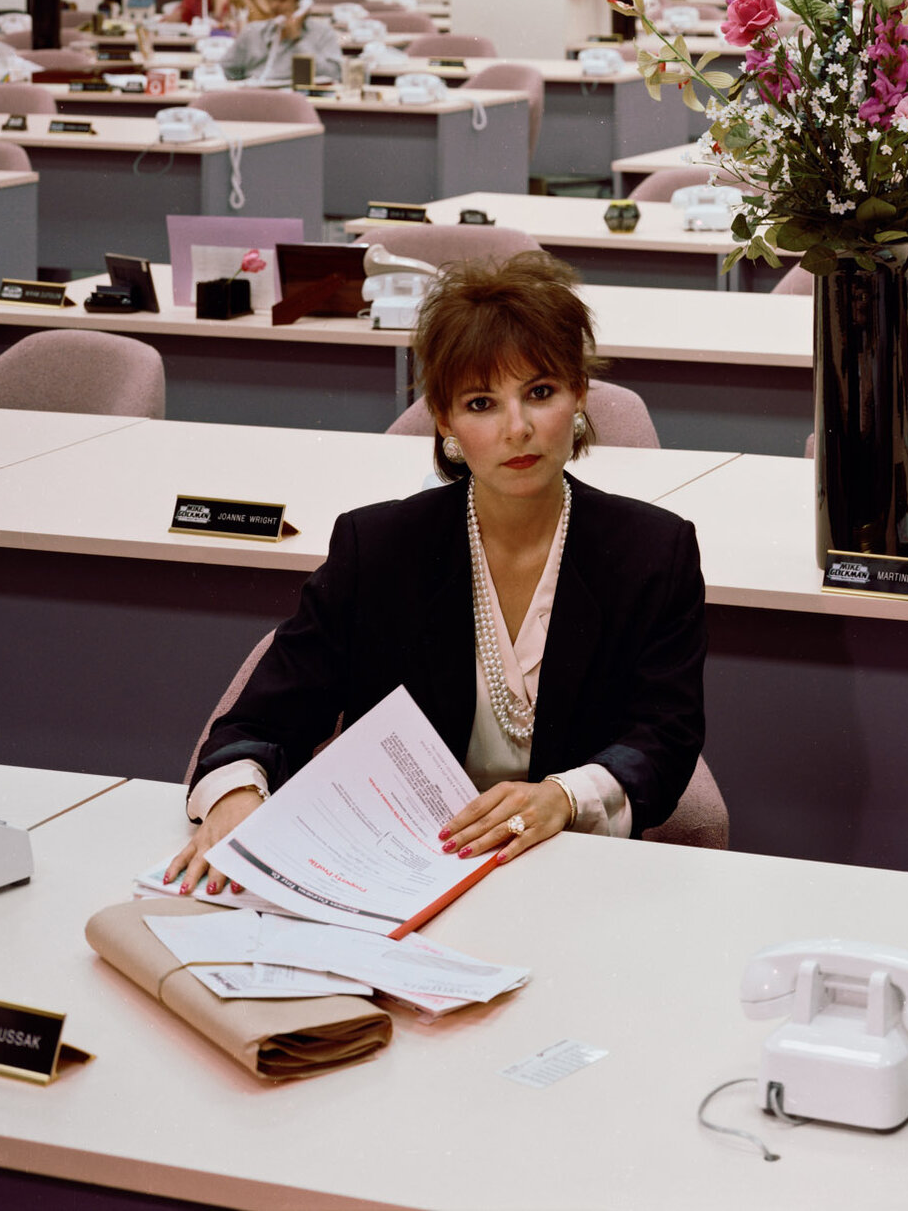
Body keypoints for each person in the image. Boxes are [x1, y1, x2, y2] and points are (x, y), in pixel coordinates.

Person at [165, 252, 707, 890]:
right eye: (482, 403)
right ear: (445, 420)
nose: (518, 428)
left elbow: (665, 739)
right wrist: (235, 797)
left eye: (541, 392)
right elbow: (258, 721)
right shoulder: (380, 547)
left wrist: (564, 796)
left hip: (567, 870)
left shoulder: (653, 551)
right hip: (395, 867)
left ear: (578, 395)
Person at [219, 0, 343, 85]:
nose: (274, 6)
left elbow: (334, 75)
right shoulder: (253, 32)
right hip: (253, 96)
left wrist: (297, 40)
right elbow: (225, 70)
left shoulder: (322, 34)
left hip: (295, 99)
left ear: (301, 2)